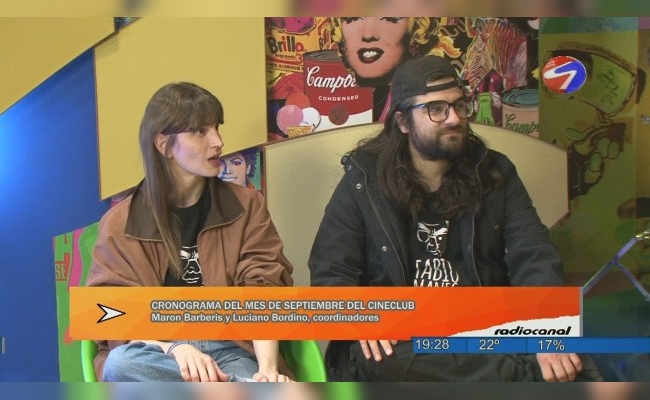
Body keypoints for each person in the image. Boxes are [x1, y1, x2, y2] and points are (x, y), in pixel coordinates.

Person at [308, 55, 601, 382]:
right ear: (403, 122)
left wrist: (546, 329)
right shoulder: (364, 181)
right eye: (436, 109)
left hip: (479, 325)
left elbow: (533, 254)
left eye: (460, 105)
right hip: (403, 335)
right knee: (383, 357)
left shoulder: (495, 172)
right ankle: (527, 378)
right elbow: (330, 270)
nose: (454, 118)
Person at [87, 82, 294, 382]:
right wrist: (174, 349)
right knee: (121, 364)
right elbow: (108, 313)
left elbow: (264, 292)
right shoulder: (119, 224)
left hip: (232, 351)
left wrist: (268, 371)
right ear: (164, 145)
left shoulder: (248, 206)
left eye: (216, 128)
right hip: (158, 355)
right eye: (200, 131)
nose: (218, 141)